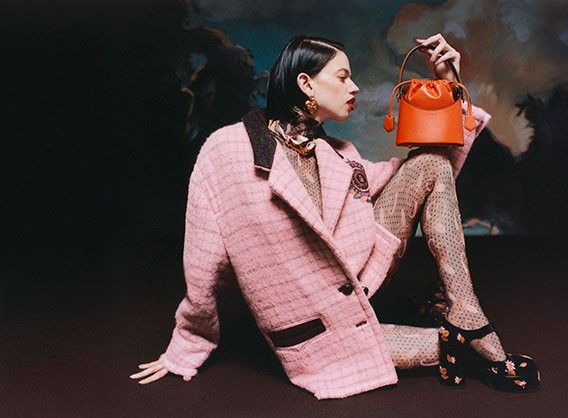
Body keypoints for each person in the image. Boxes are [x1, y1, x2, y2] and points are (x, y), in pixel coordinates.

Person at [130, 33, 540, 399]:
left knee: (430, 163)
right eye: (343, 77)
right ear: (306, 84)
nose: (354, 86)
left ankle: (465, 310)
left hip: (361, 279)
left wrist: (449, 87)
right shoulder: (227, 150)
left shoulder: (340, 153)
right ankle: (454, 327)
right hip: (316, 330)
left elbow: (429, 173)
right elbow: (203, 259)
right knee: (457, 350)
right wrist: (189, 343)